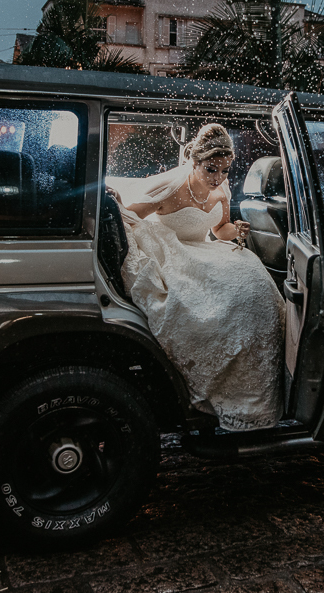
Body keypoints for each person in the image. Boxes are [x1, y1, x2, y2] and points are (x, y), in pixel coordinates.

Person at [115, 123, 285, 432]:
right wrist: (115, 203)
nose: (217, 178)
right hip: (175, 253)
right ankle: (211, 381)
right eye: (211, 169)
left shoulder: (221, 190)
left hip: (207, 251)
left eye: (223, 170)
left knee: (256, 288)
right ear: (194, 162)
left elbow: (220, 230)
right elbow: (128, 215)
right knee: (208, 305)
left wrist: (238, 230)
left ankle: (254, 391)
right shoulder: (170, 190)